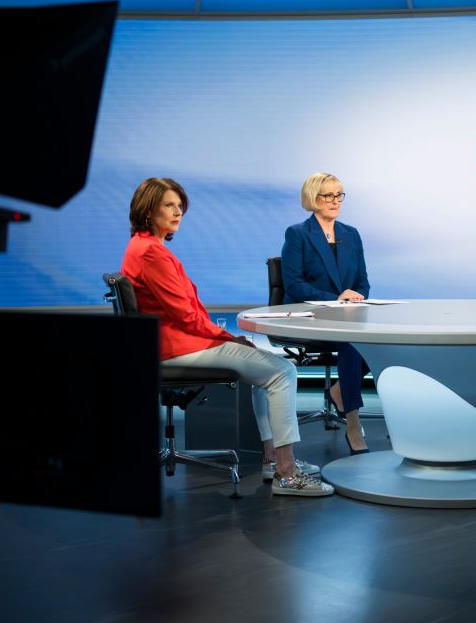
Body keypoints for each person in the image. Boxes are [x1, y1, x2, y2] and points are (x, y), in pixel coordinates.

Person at [122, 177, 334, 496]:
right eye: (169, 205)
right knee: (283, 371)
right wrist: (229, 338)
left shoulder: (142, 247)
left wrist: (225, 339)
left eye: (180, 206)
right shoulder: (151, 254)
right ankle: (287, 474)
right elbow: (187, 316)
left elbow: (184, 313)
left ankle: (272, 461)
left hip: (171, 343)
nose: (178, 212)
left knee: (269, 369)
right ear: (148, 210)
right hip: (176, 347)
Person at [280, 172, 372, 455]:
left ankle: (338, 391)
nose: (335, 201)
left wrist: (356, 297)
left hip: (345, 315)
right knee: (351, 342)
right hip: (308, 317)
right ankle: (354, 426)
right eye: (327, 195)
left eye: (339, 194)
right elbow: (294, 286)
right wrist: (335, 298)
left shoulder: (351, 234)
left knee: (378, 340)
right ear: (312, 198)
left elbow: (362, 282)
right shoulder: (298, 234)